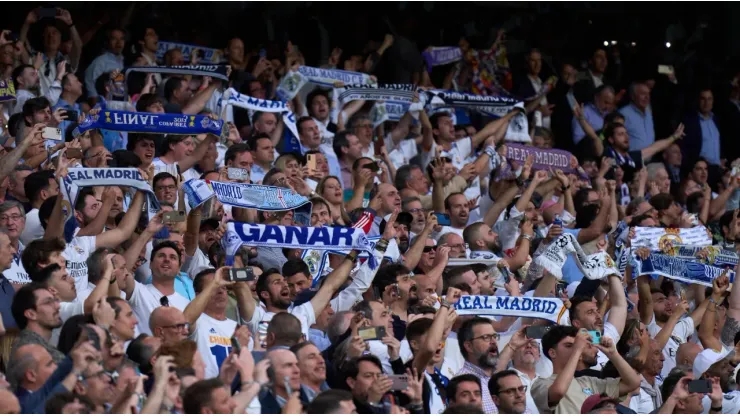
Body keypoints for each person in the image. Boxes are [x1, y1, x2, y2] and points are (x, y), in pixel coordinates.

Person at [531, 326, 640, 414]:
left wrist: (613, 353)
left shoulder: (588, 382)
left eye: (576, 345)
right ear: (552, 353)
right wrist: (577, 350)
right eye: (569, 346)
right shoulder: (540, 383)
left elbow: (632, 383)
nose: (575, 348)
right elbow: (558, 392)